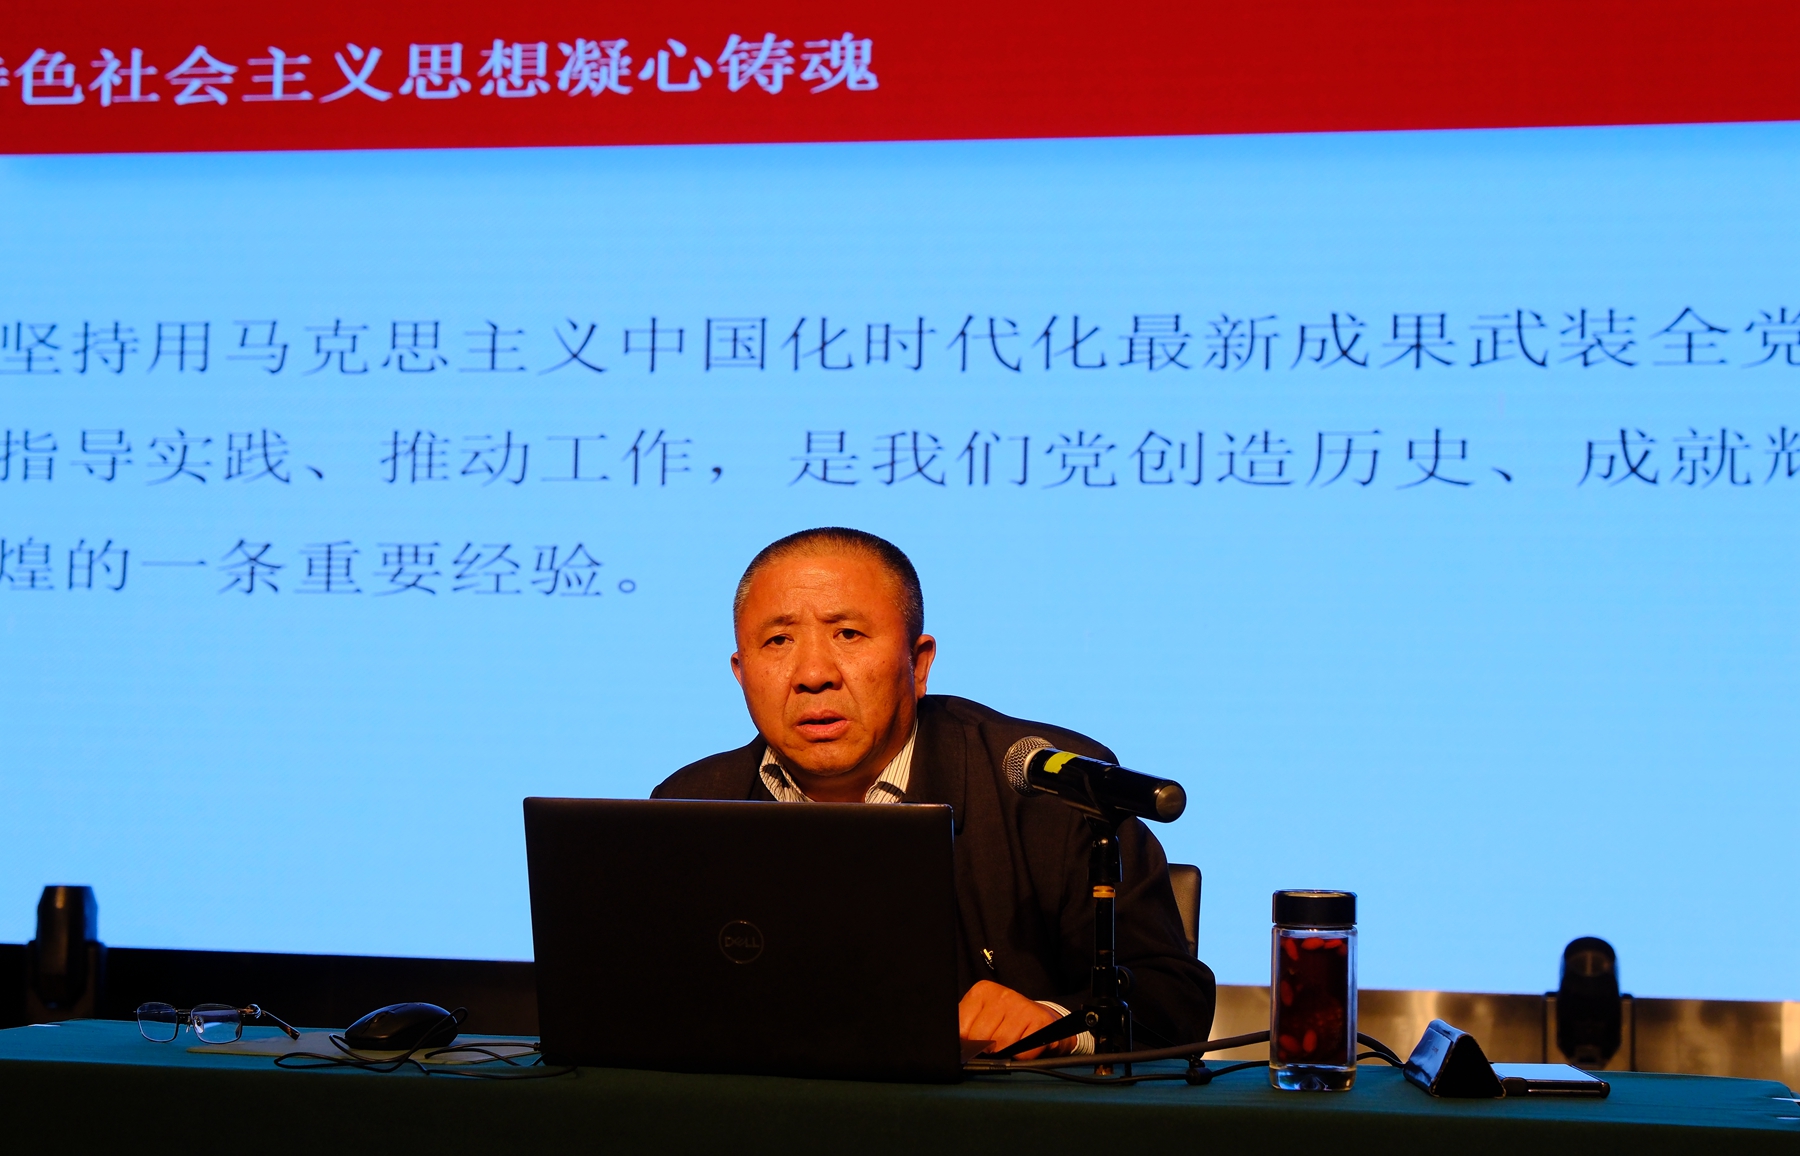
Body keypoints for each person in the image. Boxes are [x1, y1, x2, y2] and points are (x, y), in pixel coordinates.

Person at [652, 527, 1216, 1057]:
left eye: (848, 634)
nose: (813, 673)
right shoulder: (688, 806)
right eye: (778, 640)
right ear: (740, 672)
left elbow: (1172, 996)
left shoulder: (1047, 791)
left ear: (918, 664)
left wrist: (1053, 1022)